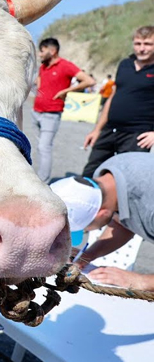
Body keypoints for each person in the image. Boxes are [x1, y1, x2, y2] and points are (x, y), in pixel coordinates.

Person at [51, 152, 154, 291]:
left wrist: (141, 281)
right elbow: (125, 222)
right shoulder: (109, 174)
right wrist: (89, 254)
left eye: (84, 229)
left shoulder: (149, 205)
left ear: (102, 213)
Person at [81, 26, 154, 177]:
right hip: (110, 130)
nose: (142, 48)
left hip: (137, 135)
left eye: (147, 44)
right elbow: (113, 97)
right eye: (138, 43)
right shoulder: (124, 64)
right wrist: (97, 130)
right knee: (91, 172)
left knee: (128, 178)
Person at [32, 38, 95, 183]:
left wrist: (66, 90)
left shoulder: (65, 65)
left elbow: (89, 81)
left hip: (51, 113)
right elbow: (39, 84)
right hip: (36, 111)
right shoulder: (43, 67)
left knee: (44, 147)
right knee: (38, 147)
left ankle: (42, 181)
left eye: (42, 51)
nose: (40, 54)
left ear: (52, 51)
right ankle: (36, 177)